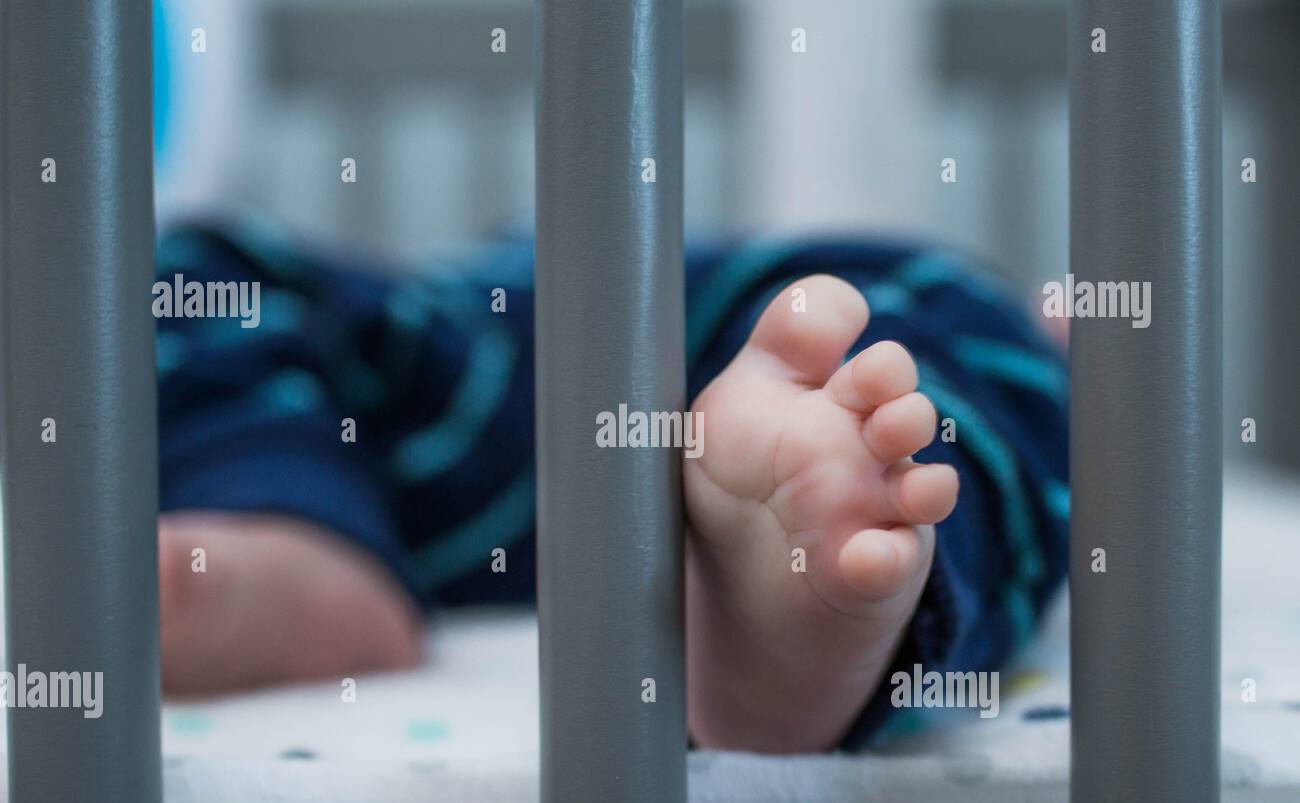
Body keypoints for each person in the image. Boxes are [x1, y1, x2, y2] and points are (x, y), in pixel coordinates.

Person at [154, 222, 1068, 753]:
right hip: (465, 388)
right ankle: (274, 538)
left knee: (890, 409)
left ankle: (262, 538)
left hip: (634, 356)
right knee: (944, 410)